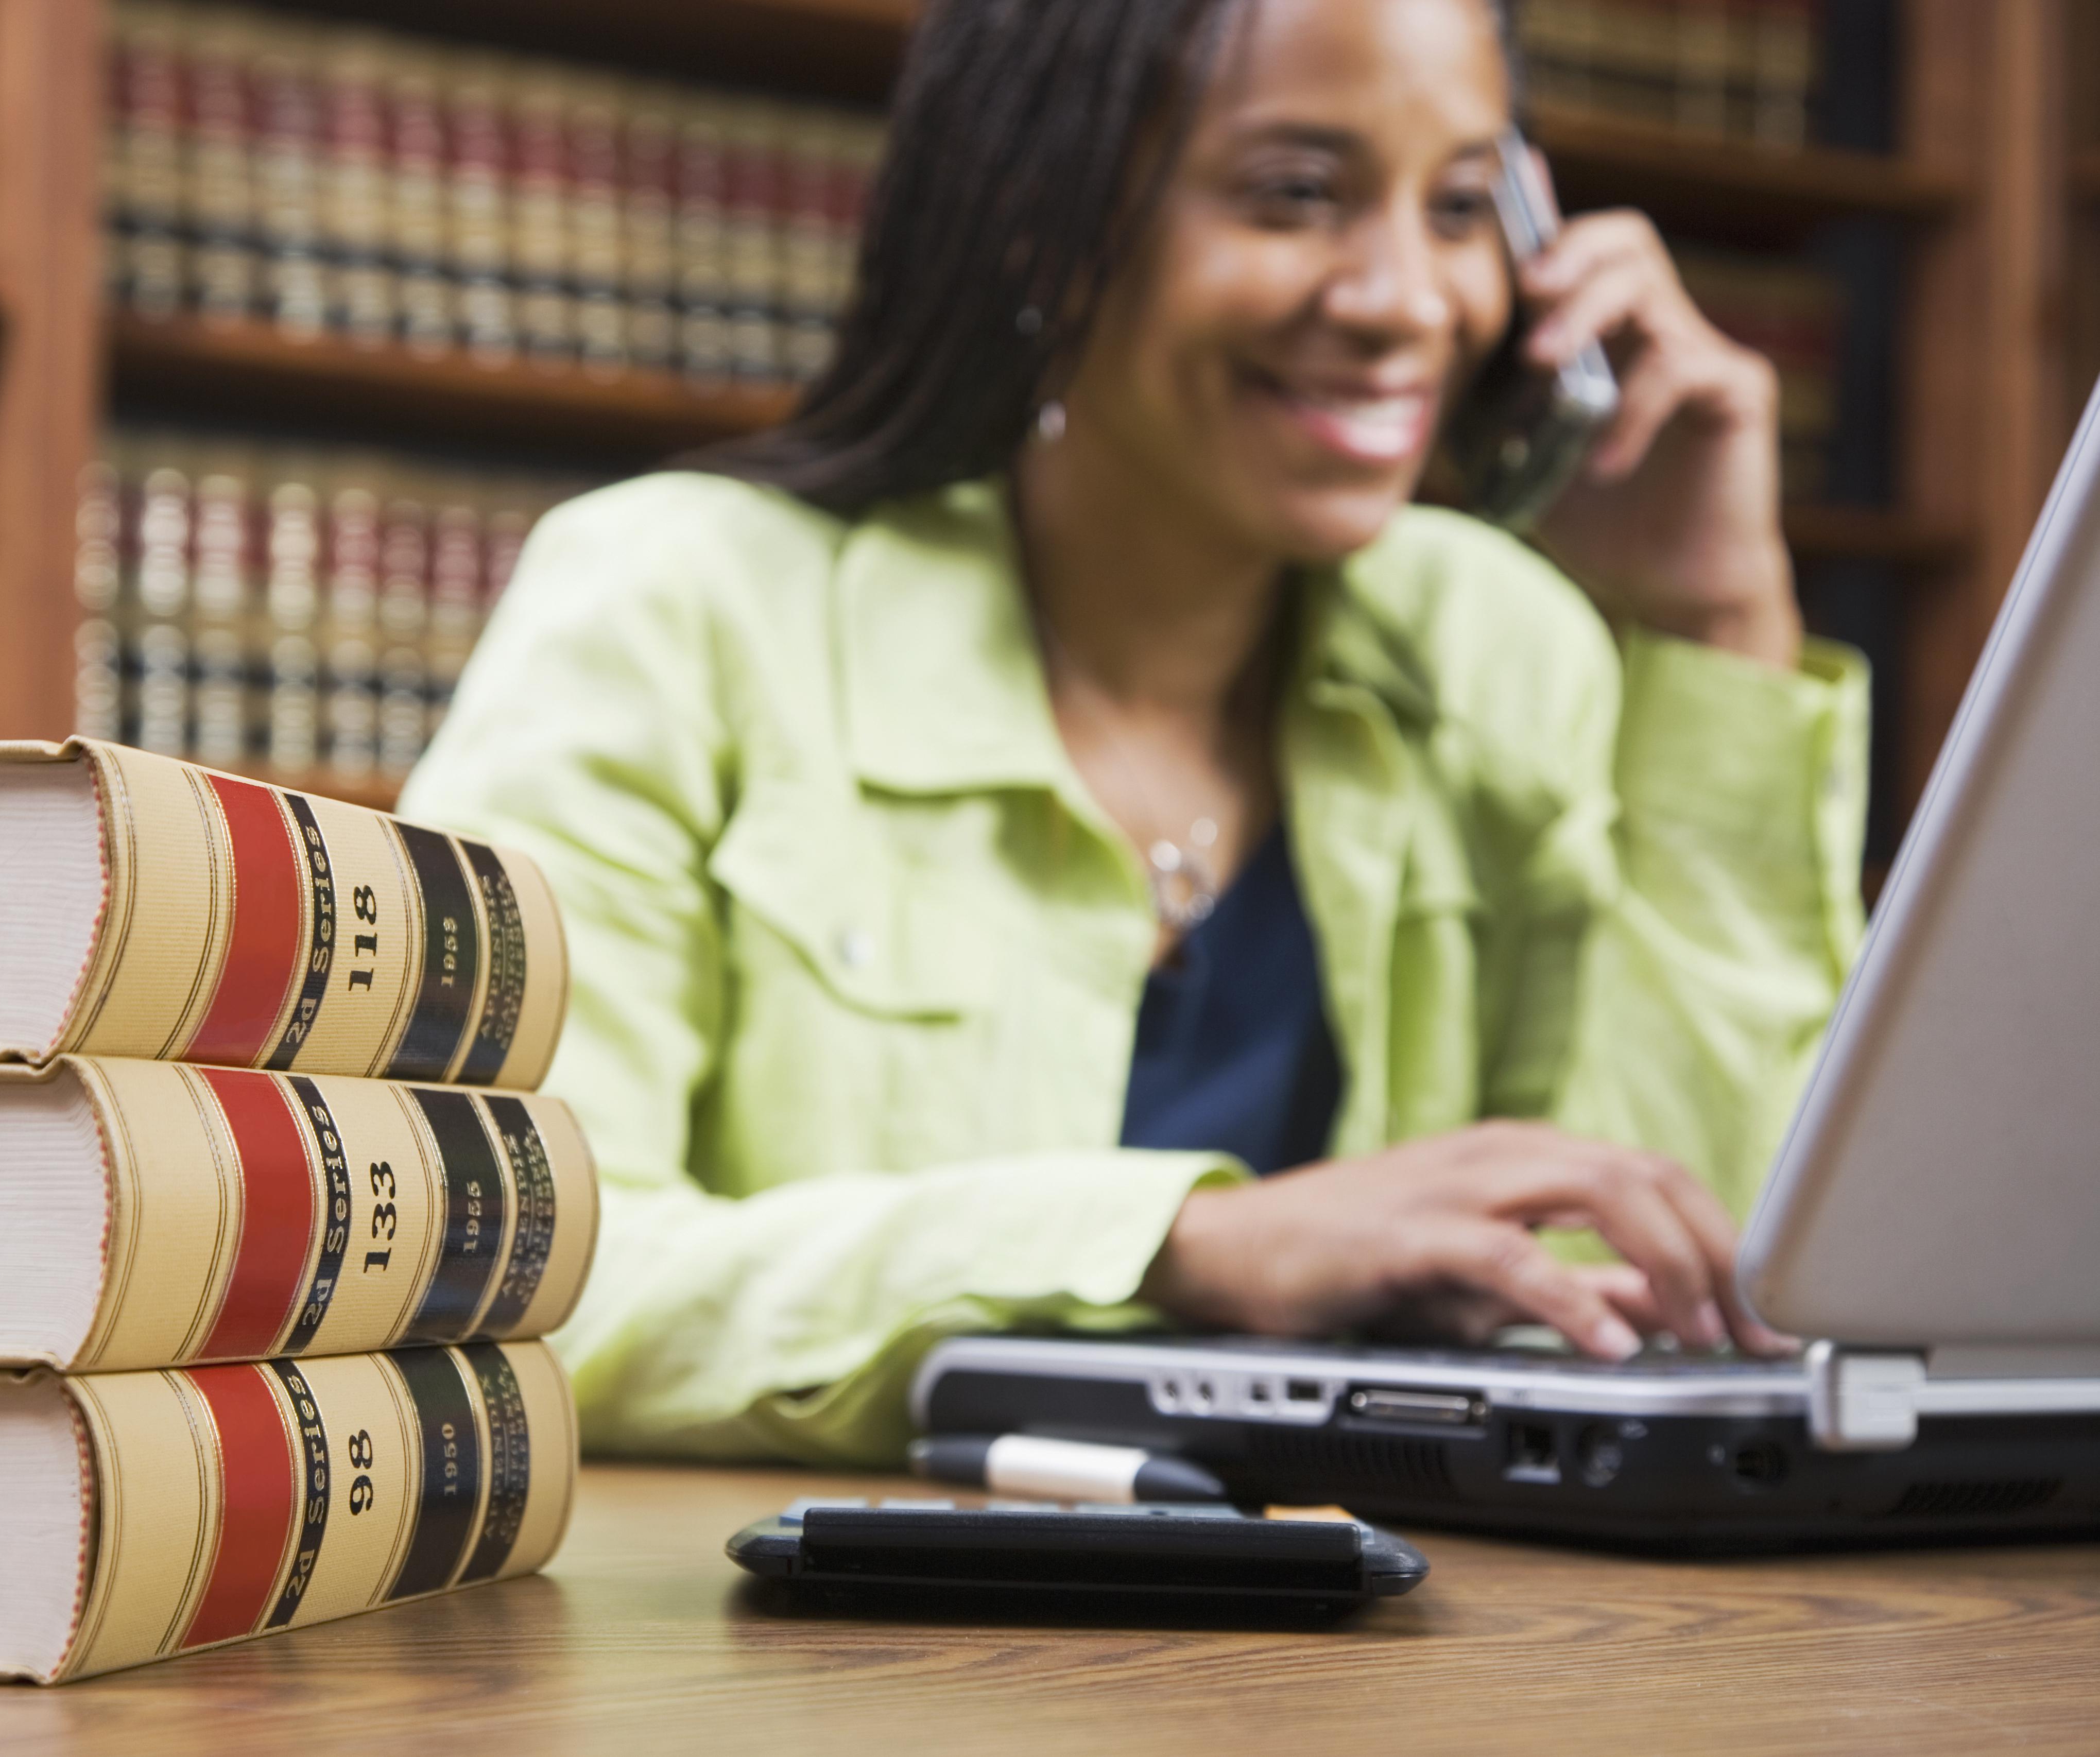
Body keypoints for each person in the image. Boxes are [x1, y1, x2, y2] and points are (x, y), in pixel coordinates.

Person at [398, 0, 1869, 1465]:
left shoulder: (1497, 649)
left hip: (1398, 1607)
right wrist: (1185, 1247)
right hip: (831, 1609)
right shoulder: (675, 606)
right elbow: (490, 1263)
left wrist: (1716, 629)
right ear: (1038, 215)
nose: (1408, 300)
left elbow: (1668, 1292)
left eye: (1462, 207)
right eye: (1297, 194)